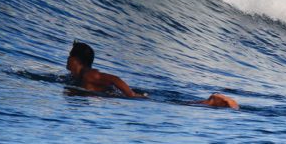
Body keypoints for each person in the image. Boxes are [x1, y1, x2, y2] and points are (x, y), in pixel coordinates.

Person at [67, 41, 238, 109]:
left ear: (76, 59)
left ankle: (213, 100)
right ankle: (211, 101)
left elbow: (114, 79)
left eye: (69, 56)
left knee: (177, 104)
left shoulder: (89, 75)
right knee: (177, 103)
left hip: (130, 95)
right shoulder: (81, 76)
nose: (67, 59)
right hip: (121, 95)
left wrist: (131, 95)